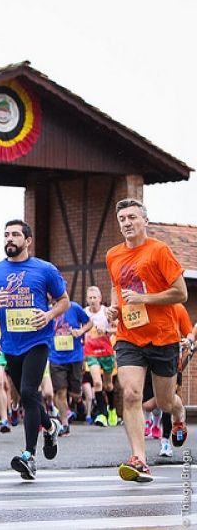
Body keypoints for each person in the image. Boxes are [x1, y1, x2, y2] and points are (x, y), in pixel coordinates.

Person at [0, 219, 68, 481]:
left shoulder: (44, 269)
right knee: (28, 397)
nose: (9, 239)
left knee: (28, 392)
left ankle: (29, 456)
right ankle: (50, 426)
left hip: (38, 341)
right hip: (10, 345)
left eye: (15, 235)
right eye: (6, 235)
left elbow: (64, 301)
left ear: (27, 241)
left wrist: (49, 315)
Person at [105, 198, 188, 483]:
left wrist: (145, 298)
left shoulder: (159, 251)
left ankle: (178, 412)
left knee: (164, 402)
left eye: (132, 217)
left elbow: (181, 294)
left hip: (163, 337)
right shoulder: (113, 255)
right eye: (123, 219)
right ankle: (139, 459)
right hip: (129, 336)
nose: (127, 223)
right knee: (130, 394)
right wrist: (113, 308)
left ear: (145, 221)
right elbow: (117, 288)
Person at [48, 298, 92, 437]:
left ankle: (78, 400)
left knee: (75, 393)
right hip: (56, 357)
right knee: (60, 392)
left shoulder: (74, 307)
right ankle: (64, 423)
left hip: (75, 356)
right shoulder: (46, 310)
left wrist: (81, 331)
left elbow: (90, 322)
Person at [83, 286, 118, 427]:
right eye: (90, 298)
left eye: (94, 298)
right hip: (91, 352)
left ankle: (112, 409)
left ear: (100, 299)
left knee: (108, 385)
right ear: (87, 300)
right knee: (97, 383)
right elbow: (81, 327)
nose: (92, 300)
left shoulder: (106, 312)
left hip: (106, 351)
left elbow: (118, 328)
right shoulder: (84, 313)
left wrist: (107, 330)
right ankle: (101, 414)